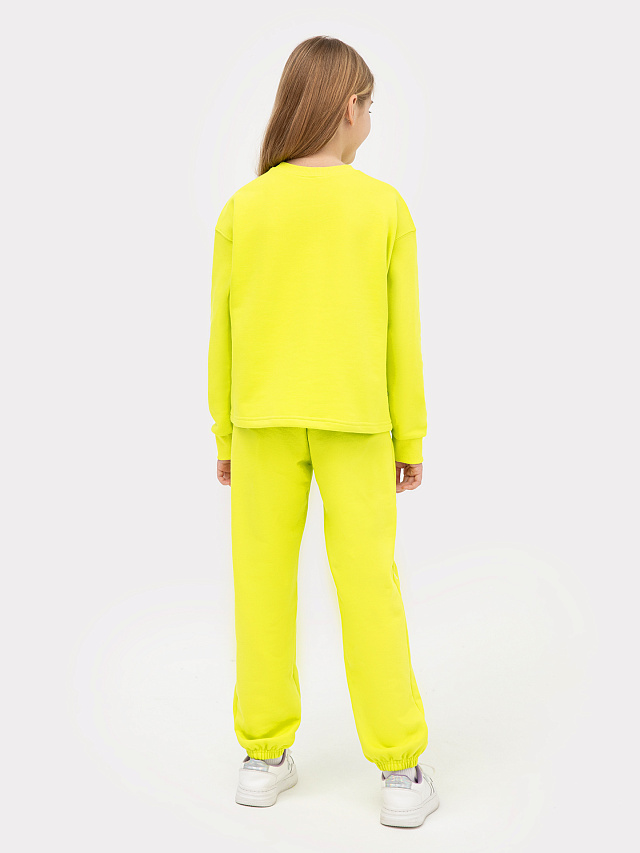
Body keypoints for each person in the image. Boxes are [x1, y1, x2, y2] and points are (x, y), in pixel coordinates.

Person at [208, 35, 439, 828]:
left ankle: (263, 757)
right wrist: (410, 437)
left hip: (261, 422)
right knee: (370, 588)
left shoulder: (244, 209)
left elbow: (222, 335)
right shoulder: (384, 208)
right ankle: (400, 768)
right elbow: (401, 338)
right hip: (357, 424)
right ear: (349, 107)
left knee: (260, 587)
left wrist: (225, 434)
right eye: (369, 104)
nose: (371, 117)